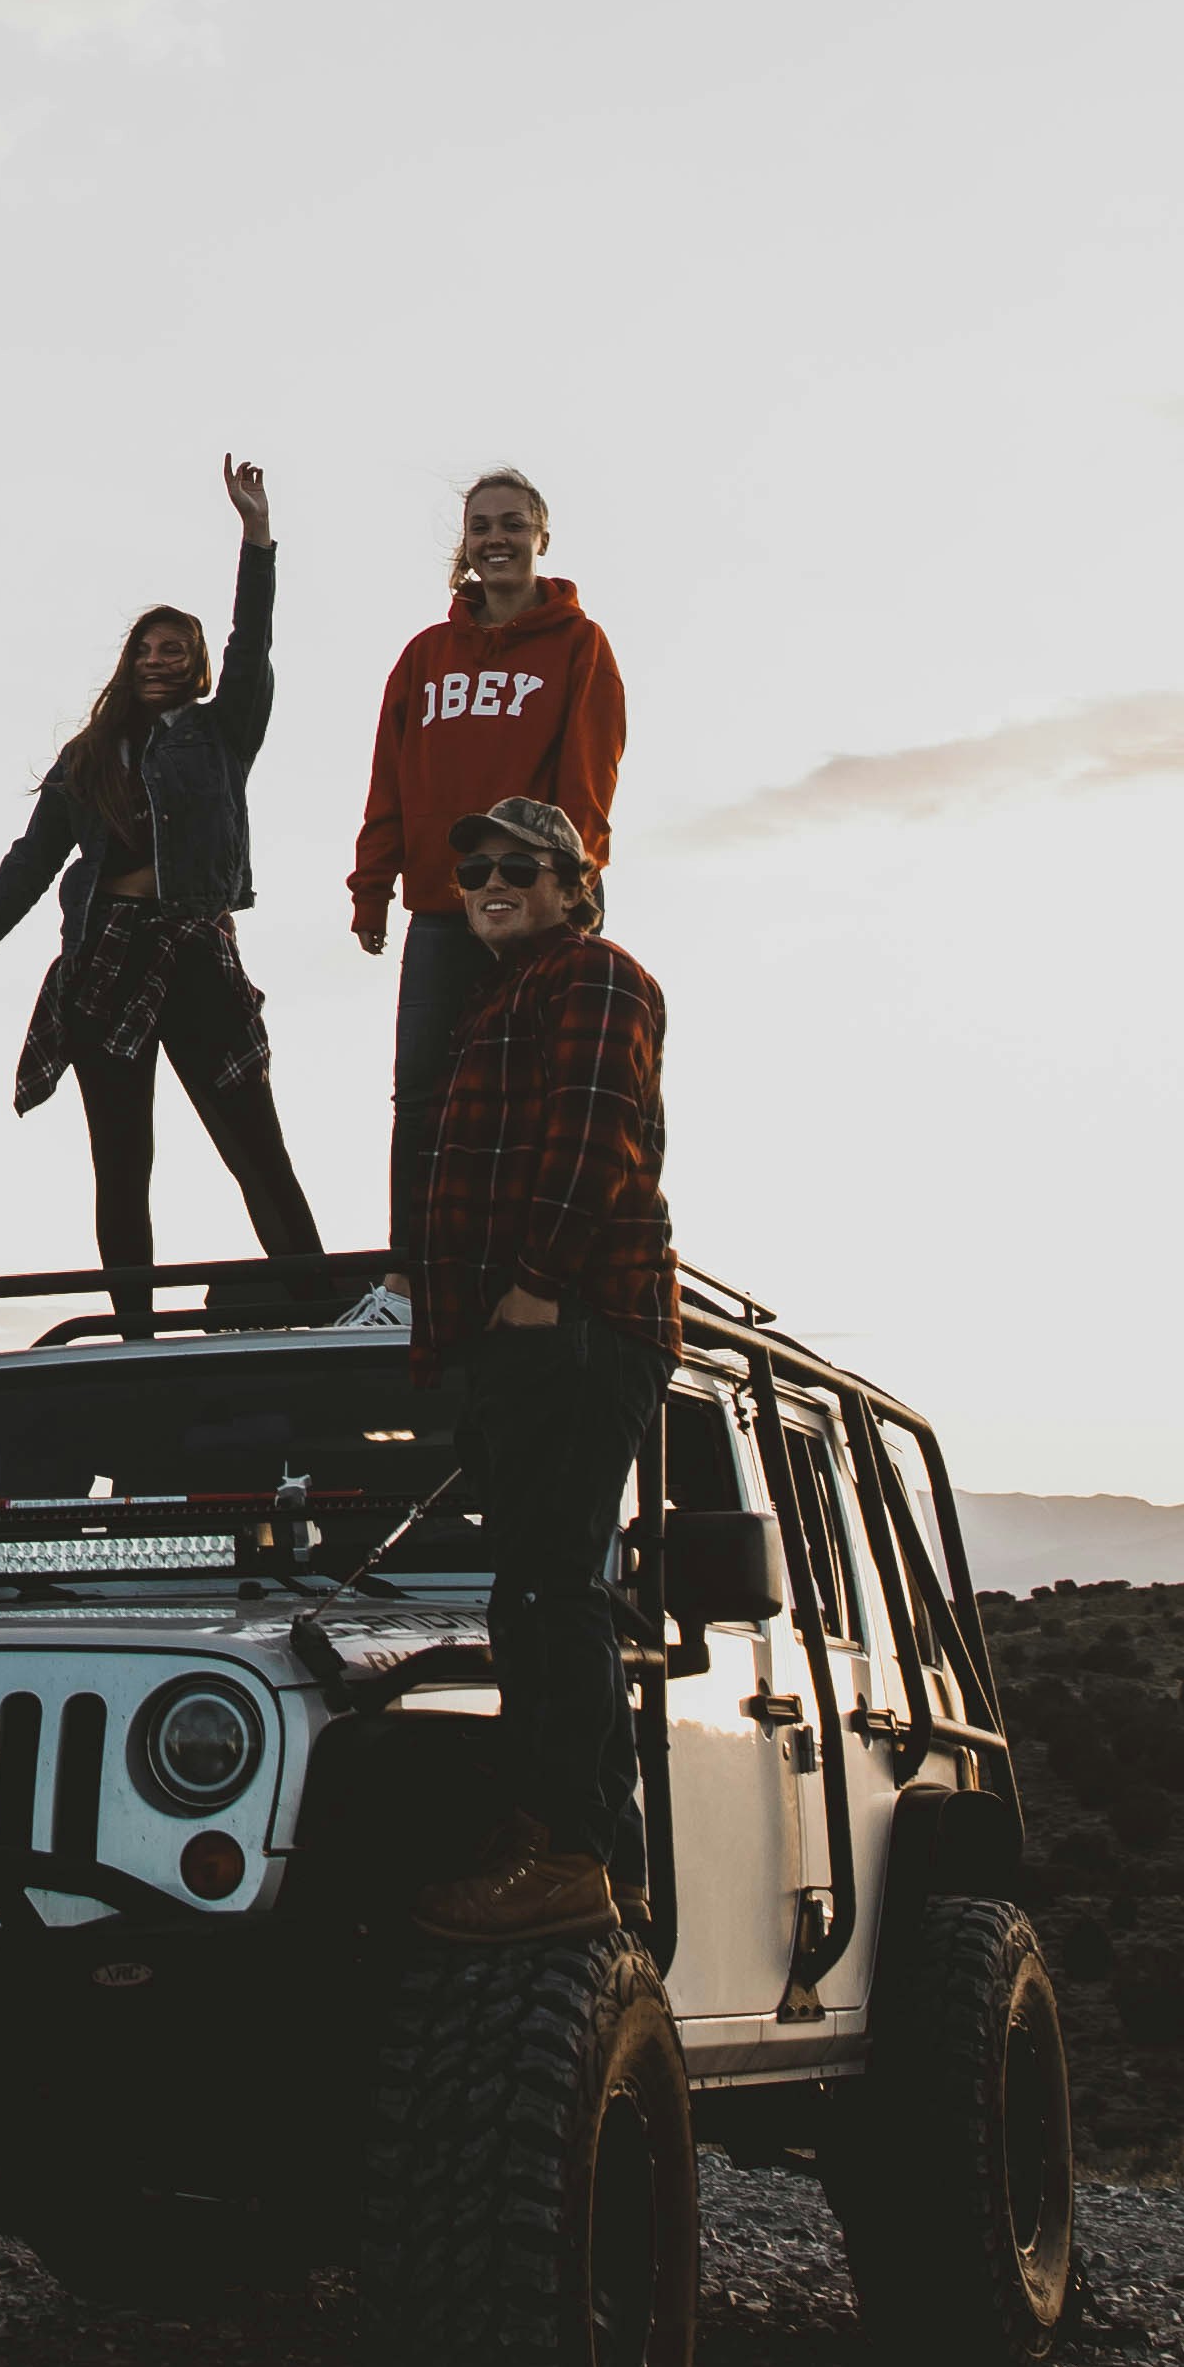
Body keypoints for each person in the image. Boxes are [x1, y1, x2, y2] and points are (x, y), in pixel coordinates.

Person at [0, 454, 332, 1342]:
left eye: (171, 650)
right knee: (121, 1164)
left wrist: (256, 538)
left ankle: (322, 1314)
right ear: (125, 662)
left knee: (255, 1148)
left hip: (195, 953)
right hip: (105, 958)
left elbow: (254, 642)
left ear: (195, 666)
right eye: (143, 649)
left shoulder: (223, 731)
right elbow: (28, 864)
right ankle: (135, 1336)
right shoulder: (89, 754)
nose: (155, 660)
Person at [407, 794, 679, 1943]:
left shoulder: (597, 976)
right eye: (474, 871)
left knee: (554, 1587)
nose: (491, 880)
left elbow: (593, 1131)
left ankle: (576, 1855)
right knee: (529, 1590)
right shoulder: (497, 1000)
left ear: (575, 884)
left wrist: (539, 1284)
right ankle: (556, 1835)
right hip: (519, 1334)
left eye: (523, 864)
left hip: (573, 1321)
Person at [350, 468, 630, 1281]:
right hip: (444, 906)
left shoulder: (579, 645)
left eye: (512, 523)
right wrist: (372, 884)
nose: (495, 539)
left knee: (544, 1093)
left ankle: (533, 1271)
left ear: (541, 537)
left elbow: (590, 778)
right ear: (463, 544)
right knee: (424, 1098)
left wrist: (573, 881)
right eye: (480, 527)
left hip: (536, 908)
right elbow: (390, 777)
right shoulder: (424, 657)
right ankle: (410, 1275)